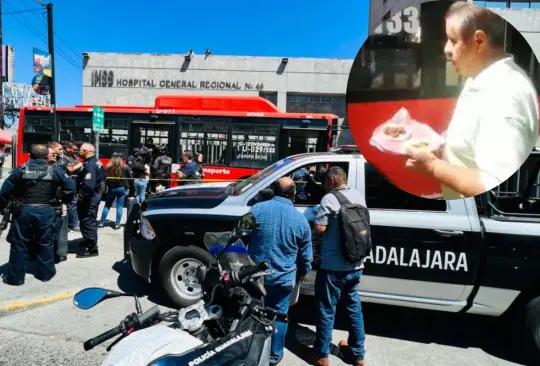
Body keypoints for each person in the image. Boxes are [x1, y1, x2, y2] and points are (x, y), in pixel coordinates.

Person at [405, 2, 539, 199]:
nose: (446, 50)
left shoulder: (503, 96)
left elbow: (491, 181)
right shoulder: (477, 77)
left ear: (478, 41)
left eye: (452, 40)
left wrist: (432, 166)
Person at [248, 177, 313, 365]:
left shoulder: (257, 210)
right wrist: (302, 273)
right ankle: (274, 356)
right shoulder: (301, 221)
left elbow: (241, 236)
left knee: (254, 314)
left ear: (274, 191)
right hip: (283, 280)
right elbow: (306, 258)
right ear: (293, 194)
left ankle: (253, 351)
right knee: (279, 317)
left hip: (257, 278)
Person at [312, 166, 367, 366]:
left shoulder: (329, 199)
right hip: (356, 263)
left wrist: (314, 221)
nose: (325, 185)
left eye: (326, 181)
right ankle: (358, 354)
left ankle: (322, 355)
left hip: (334, 266)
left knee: (326, 309)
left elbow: (320, 228)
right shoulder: (358, 195)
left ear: (333, 180)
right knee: (354, 308)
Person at [0, 144, 75, 286]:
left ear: (30, 155)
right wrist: (63, 199)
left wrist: (2, 209)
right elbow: (70, 187)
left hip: (23, 211)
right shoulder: (56, 170)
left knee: (19, 244)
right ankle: (45, 274)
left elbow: (4, 192)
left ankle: (16, 278)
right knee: (46, 242)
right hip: (47, 211)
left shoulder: (20, 170)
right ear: (47, 155)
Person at [76, 143, 106, 258]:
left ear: (86, 151)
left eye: (81, 150)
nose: (79, 151)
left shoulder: (90, 165)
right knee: (85, 220)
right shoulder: (95, 162)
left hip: (89, 199)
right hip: (94, 197)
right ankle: (87, 240)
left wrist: (80, 197)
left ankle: (92, 249)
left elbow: (88, 186)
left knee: (88, 221)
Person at [99, 153, 131, 230]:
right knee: (119, 206)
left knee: (107, 205)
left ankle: (101, 222)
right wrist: (130, 188)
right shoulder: (125, 166)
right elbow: (130, 178)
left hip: (111, 188)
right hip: (122, 188)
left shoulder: (108, 166)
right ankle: (117, 224)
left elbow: (105, 178)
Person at [60, 141, 83, 231]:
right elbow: (70, 170)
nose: (76, 151)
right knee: (71, 203)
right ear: (67, 149)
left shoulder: (73, 156)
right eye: (74, 149)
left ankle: (71, 223)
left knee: (73, 203)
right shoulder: (63, 158)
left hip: (75, 184)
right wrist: (81, 164)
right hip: (68, 184)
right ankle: (73, 224)